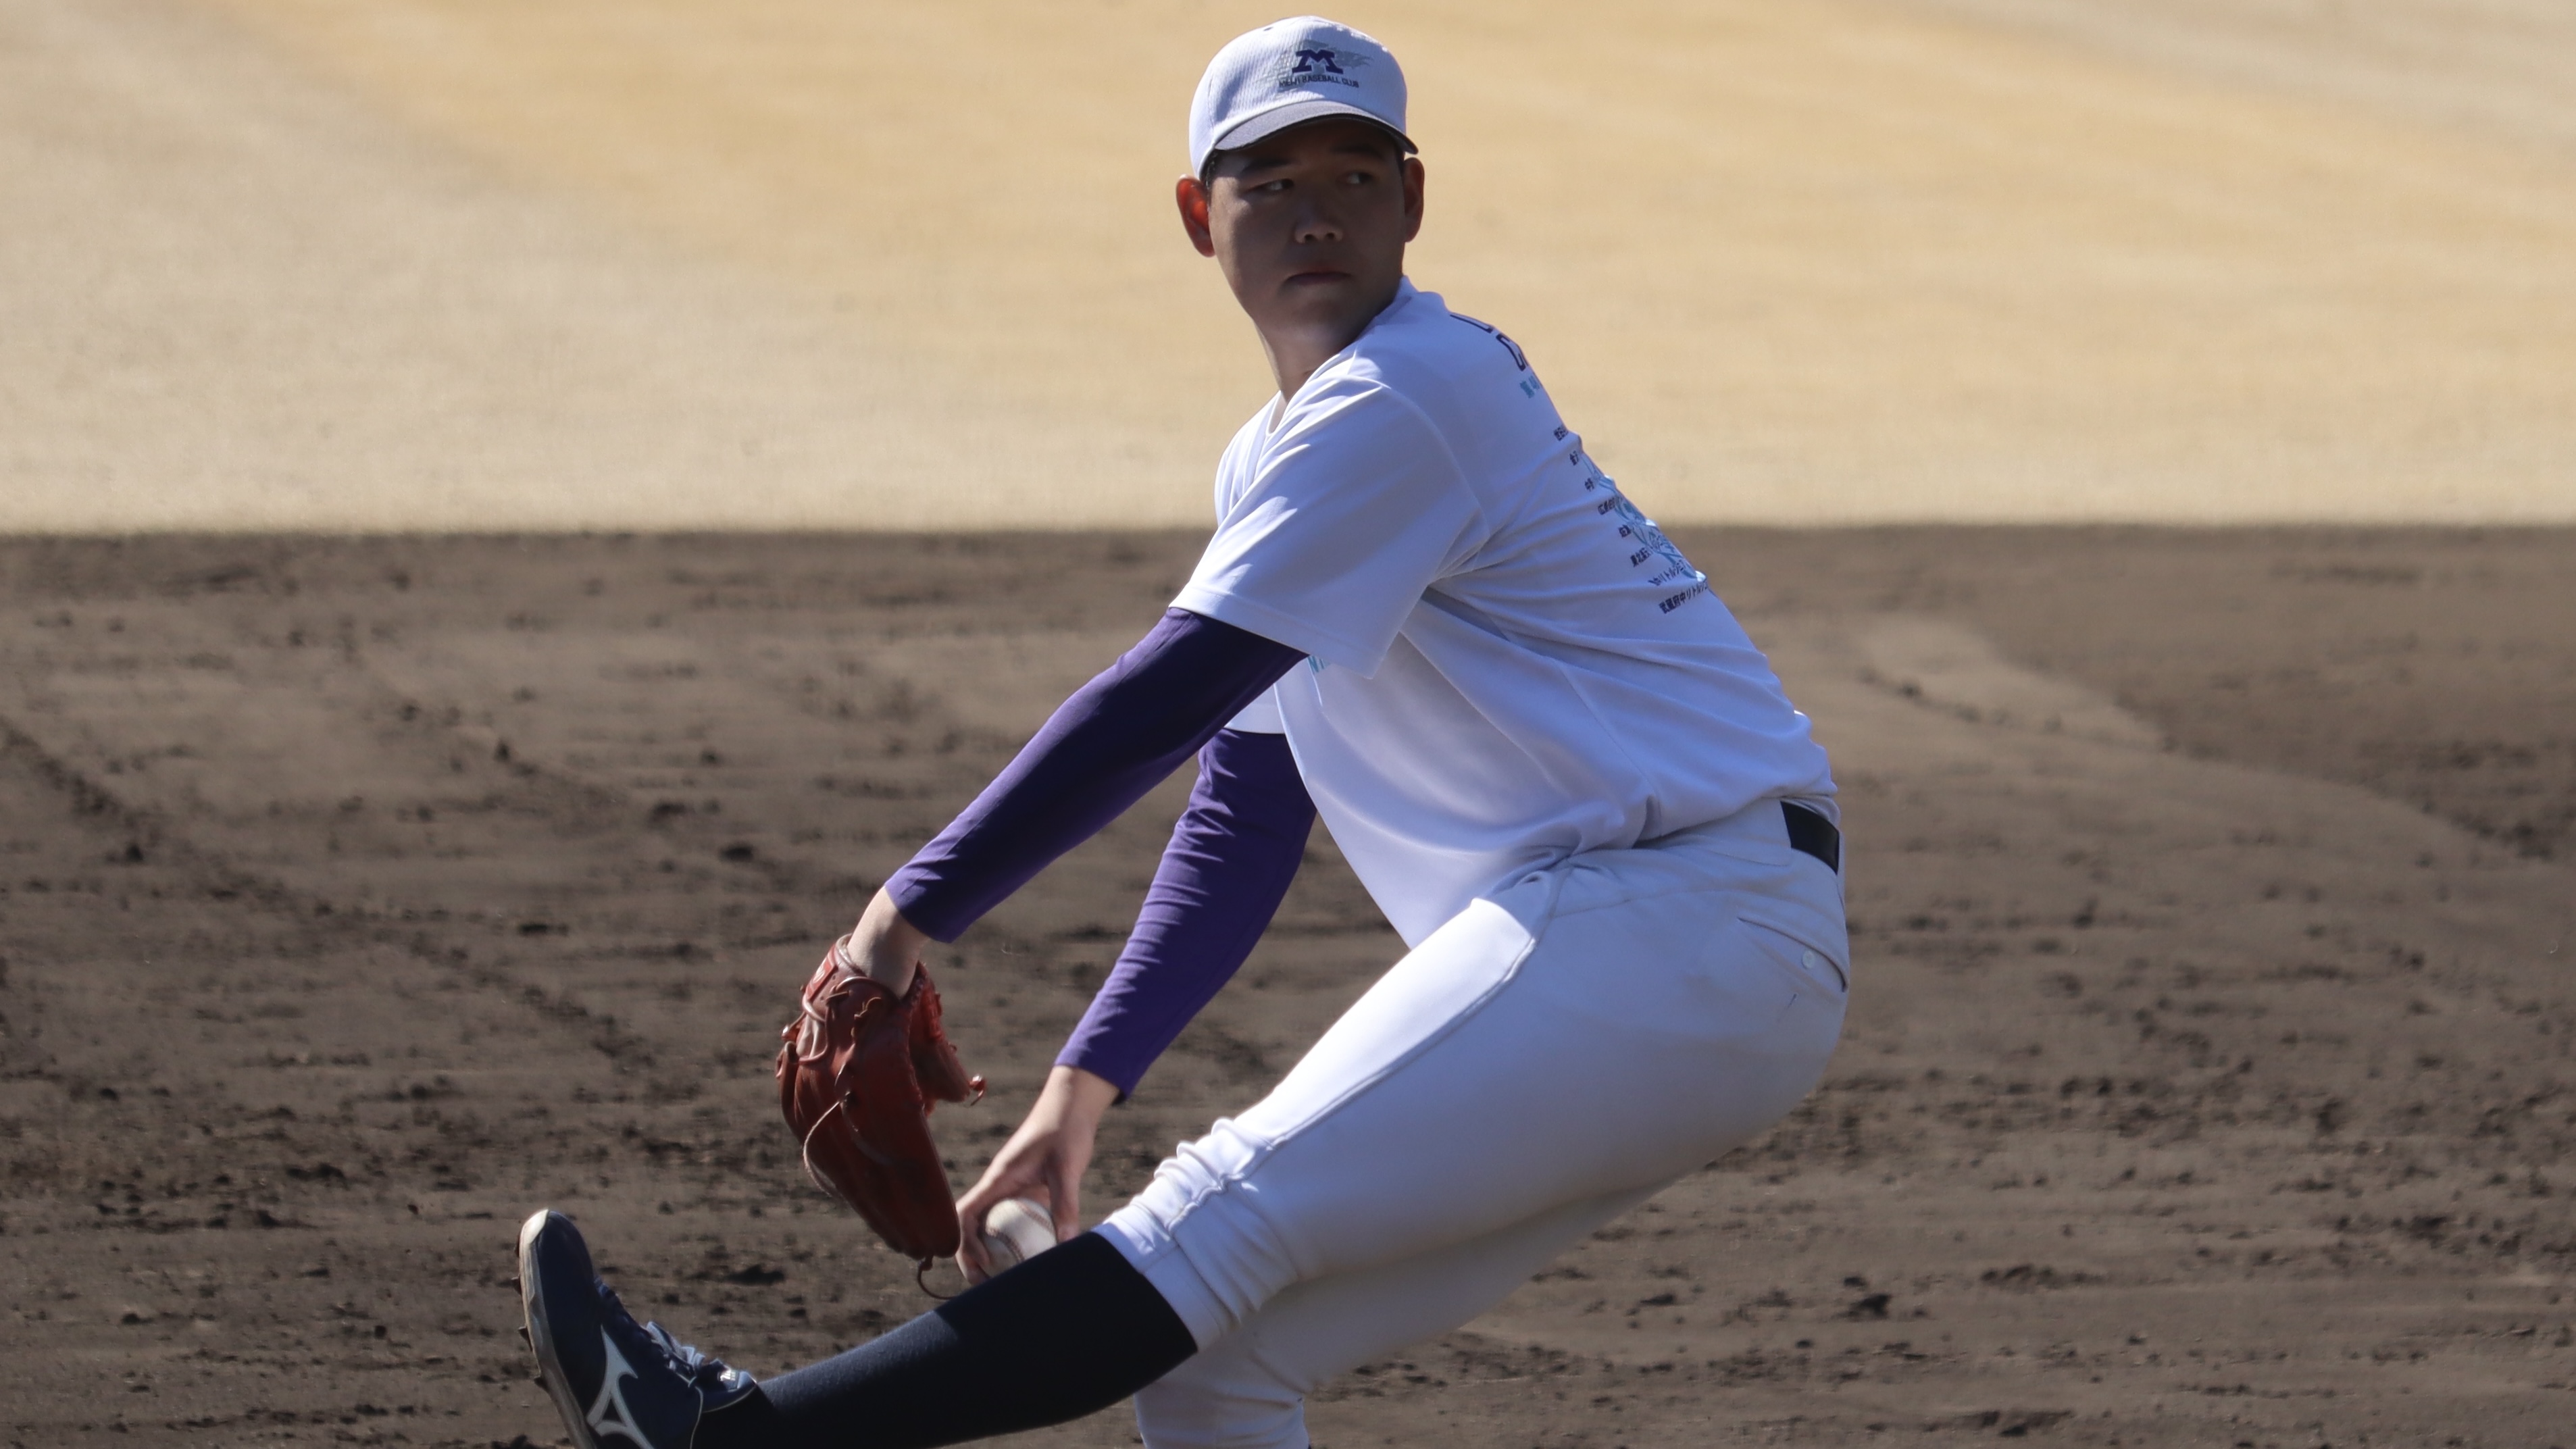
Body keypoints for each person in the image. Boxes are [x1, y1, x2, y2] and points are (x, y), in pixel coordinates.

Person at [515, 16, 1848, 1449]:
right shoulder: (1282, 451)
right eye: (1268, 182)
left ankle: (726, 1436)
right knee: (1220, 1358)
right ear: (1197, 216)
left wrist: (891, 925)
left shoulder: (1411, 390)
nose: (1315, 211)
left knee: (1212, 1224)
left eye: (1353, 174)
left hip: (1671, 921)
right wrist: (1076, 1097)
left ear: (1412, 199)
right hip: (1681, 957)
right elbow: (1245, 809)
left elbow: (1166, 694)